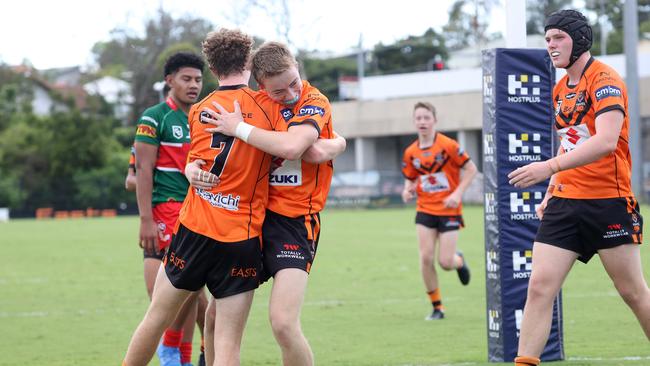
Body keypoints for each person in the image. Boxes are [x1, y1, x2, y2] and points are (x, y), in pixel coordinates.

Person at [123, 28, 281, 366]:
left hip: (194, 229)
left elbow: (196, 163)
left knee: (155, 318)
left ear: (212, 67)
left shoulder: (201, 109)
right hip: (241, 234)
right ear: (249, 61)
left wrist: (193, 172)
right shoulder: (268, 107)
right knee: (227, 344)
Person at [508, 9, 649, 366]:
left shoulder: (606, 80)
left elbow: (604, 141)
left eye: (558, 38)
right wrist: (553, 184)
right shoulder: (560, 89)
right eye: (548, 39)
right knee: (539, 288)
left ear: (580, 40)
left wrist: (548, 168)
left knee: (632, 292)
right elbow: (571, 142)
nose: (550, 46)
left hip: (608, 203)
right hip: (565, 203)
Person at [192, 41, 345, 366]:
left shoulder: (313, 99)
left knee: (283, 324)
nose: (290, 93)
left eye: (294, 81)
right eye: (279, 90)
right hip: (252, 218)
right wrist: (192, 167)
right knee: (216, 317)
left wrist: (241, 129)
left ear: (297, 67)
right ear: (260, 86)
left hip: (294, 224)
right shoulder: (256, 104)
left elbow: (297, 148)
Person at [132, 51, 205, 366]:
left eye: (198, 80)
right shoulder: (154, 116)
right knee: (171, 296)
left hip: (199, 213)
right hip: (165, 212)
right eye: (186, 79)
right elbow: (142, 171)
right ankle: (174, 353)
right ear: (169, 80)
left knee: (192, 291)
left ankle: (185, 356)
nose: (193, 85)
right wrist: (146, 219)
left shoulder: (205, 117)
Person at [401, 101, 477, 320]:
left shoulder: (448, 145)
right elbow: (411, 179)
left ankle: (458, 261)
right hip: (425, 209)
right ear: (414, 122)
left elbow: (471, 169)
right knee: (425, 258)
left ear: (435, 120)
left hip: (449, 209)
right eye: (418, 118)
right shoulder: (411, 152)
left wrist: (457, 194)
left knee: (445, 262)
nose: (422, 122)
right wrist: (407, 190)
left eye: (426, 117)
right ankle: (437, 307)